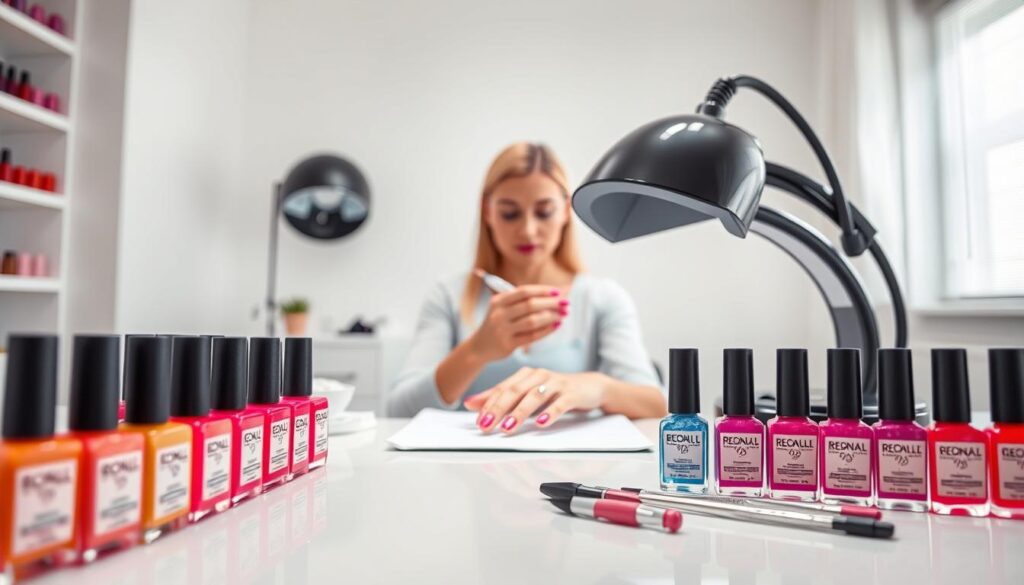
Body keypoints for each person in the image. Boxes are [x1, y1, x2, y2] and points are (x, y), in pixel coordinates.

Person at [387, 143, 666, 432]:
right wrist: (476, 350)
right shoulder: (448, 296)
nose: (528, 230)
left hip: (567, 470)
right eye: (510, 214)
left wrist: (596, 387)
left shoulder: (603, 298)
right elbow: (398, 411)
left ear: (566, 211)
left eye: (544, 212)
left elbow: (655, 405)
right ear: (487, 212)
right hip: (466, 468)